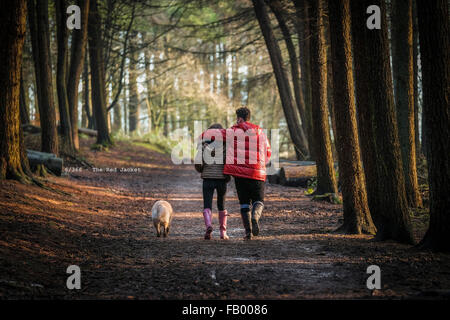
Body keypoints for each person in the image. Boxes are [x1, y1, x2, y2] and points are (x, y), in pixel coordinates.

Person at [224, 107, 271, 240]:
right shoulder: (260, 132)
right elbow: (268, 151)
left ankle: (248, 232)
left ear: (239, 118)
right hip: (257, 172)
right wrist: (261, 164)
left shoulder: (233, 131)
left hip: (240, 174)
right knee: (258, 200)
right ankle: (255, 216)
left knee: (244, 203)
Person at [195, 123, 230, 240]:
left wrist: (201, 170)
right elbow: (228, 162)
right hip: (221, 179)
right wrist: (227, 175)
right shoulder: (226, 145)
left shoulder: (202, 144)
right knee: (221, 204)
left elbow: (198, 163)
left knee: (207, 204)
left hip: (208, 178)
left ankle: (209, 226)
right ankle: (222, 232)